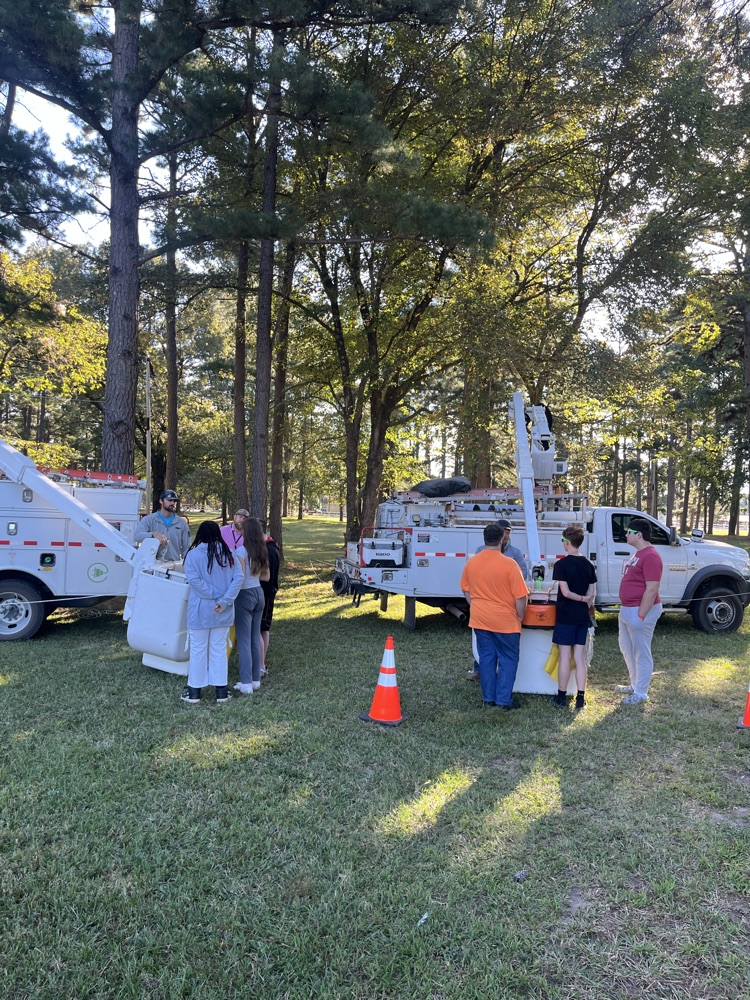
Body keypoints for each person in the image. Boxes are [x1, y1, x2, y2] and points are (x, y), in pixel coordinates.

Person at [460, 522, 528, 710]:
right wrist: (520, 616)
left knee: (487, 659)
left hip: (480, 619)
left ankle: (488, 698)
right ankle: (504, 700)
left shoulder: (472, 562)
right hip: (506, 620)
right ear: (501, 540)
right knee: (508, 659)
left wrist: (475, 605)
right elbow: (521, 596)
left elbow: (465, 588)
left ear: (485, 539)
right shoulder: (510, 564)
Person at [181, 520, 244, 704]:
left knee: (198, 650)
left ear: (200, 534)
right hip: (222, 612)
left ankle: (194, 692)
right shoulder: (228, 554)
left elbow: (194, 582)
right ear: (218, 534)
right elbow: (238, 578)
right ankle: (221, 692)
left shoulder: (192, 555)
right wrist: (224, 601)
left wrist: (217, 598)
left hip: (200, 612)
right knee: (218, 650)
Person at [550, 524, 597, 710]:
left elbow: (565, 591)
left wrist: (579, 598)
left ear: (567, 543)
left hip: (565, 615)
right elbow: (591, 593)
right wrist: (585, 601)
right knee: (580, 657)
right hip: (581, 617)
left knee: (564, 655)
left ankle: (561, 696)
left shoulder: (561, 565)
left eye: (563, 540)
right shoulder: (588, 564)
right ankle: (580, 697)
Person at [617, 517, 663, 705]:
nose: (626, 534)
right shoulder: (638, 554)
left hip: (641, 610)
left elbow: (652, 589)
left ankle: (641, 693)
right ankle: (635, 685)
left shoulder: (651, 556)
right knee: (627, 648)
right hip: (628, 609)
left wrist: (641, 615)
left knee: (641, 651)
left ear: (639, 535)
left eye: (629, 532)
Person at [233, 517, 269, 695]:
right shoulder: (262, 550)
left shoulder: (241, 550)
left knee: (244, 640)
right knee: (255, 637)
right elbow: (266, 577)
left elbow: (239, 577)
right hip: (258, 592)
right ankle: (256, 679)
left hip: (245, 594)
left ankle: (246, 682)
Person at [134, 489, 190, 562]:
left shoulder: (181, 523)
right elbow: (137, 536)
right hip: (152, 566)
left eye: (174, 501)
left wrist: (186, 565)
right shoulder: (149, 519)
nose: (172, 503)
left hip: (173, 566)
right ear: (161, 501)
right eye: (169, 500)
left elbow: (187, 548)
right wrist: (153, 534)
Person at [260, 522, 280, 676]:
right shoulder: (263, 548)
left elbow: (268, 578)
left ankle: (261, 663)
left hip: (266, 593)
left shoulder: (270, 551)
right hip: (260, 593)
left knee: (263, 628)